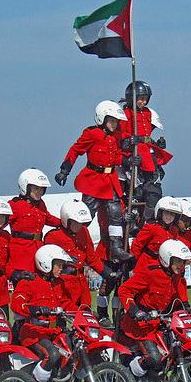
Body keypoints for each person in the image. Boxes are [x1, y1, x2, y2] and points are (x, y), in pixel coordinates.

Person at [54, 100, 134, 264]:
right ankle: (71, 243)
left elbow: (117, 156)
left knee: (116, 214)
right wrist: (65, 170)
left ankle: (116, 248)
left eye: (116, 121)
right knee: (85, 216)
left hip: (110, 180)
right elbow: (76, 150)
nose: (114, 124)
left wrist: (130, 160)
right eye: (111, 120)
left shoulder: (114, 138)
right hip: (93, 180)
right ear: (102, 119)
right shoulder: (92, 134)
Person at [117, 239, 191, 382]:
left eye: (183, 261)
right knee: (154, 358)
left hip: (161, 323)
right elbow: (124, 290)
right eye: (178, 261)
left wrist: (187, 310)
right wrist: (135, 311)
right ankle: (126, 380)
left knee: (177, 350)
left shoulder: (178, 277)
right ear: (167, 259)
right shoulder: (149, 273)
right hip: (140, 325)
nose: (181, 265)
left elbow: (181, 300)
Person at [10, 244, 78, 382]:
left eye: (61, 265)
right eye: (58, 265)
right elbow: (17, 303)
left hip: (55, 331)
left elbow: (65, 303)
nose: (61, 269)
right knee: (52, 355)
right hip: (34, 333)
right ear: (46, 263)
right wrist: (34, 309)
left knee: (73, 349)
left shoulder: (59, 284)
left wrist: (83, 312)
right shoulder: (29, 282)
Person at [43, 199, 117, 319]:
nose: (79, 226)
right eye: (76, 222)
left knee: (86, 316)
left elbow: (91, 258)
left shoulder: (84, 232)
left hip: (81, 282)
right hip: (62, 284)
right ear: (67, 220)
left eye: (82, 223)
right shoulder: (53, 236)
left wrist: (107, 273)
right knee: (60, 317)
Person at [118, 81, 172, 225]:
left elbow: (147, 137)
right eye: (139, 98)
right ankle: (133, 219)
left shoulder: (148, 113)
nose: (142, 101)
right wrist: (130, 140)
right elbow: (122, 139)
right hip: (134, 155)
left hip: (148, 154)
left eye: (145, 98)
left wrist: (157, 144)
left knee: (154, 191)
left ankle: (147, 221)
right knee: (136, 190)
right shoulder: (126, 114)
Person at [7, 167, 61, 279]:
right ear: (25, 187)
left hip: (38, 249)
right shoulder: (15, 205)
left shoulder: (41, 205)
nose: (39, 192)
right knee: (25, 283)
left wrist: (66, 222)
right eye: (36, 188)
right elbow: (0, 222)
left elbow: (49, 218)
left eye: (42, 189)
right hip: (21, 251)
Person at [130, 196, 182, 273]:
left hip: (163, 266)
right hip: (146, 264)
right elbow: (138, 244)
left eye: (172, 214)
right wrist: (132, 262)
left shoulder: (174, 231)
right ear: (160, 213)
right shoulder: (151, 227)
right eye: (167, 213)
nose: (169, 217)